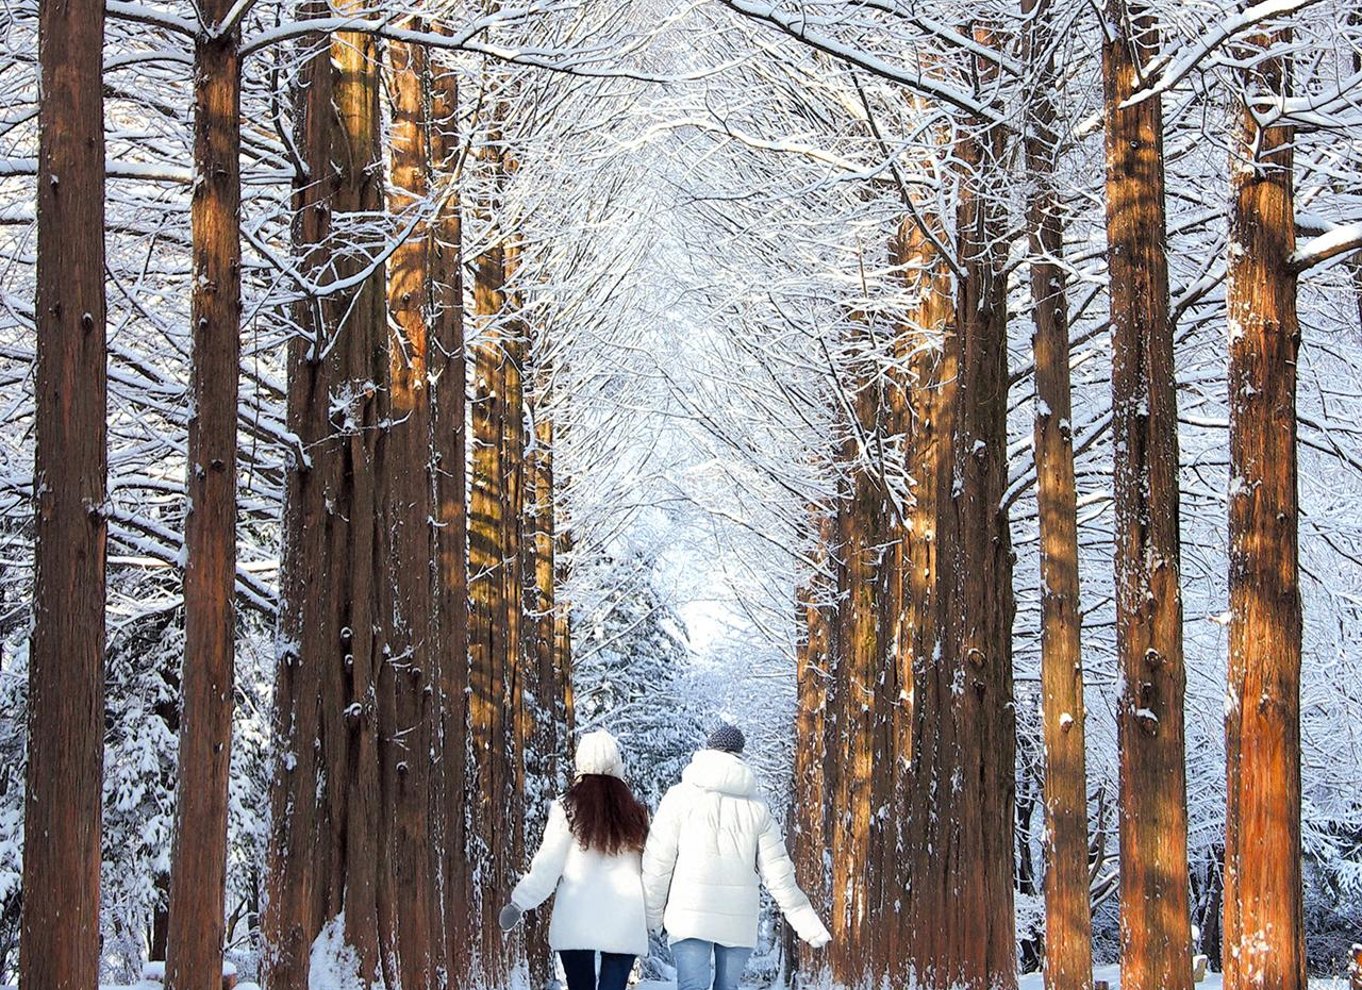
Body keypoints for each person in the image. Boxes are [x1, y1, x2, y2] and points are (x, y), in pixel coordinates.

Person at [642, 724, 830, 990]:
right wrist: (806, 922)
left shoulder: (679, 798)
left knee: (691, 987)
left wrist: (650, 916)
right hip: (738, 917)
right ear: (740, 754)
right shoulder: (757, 808)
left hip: (689, 915)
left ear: (708, 750)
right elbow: (778, 874)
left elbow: (657, 863)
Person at [499, 729, 650, 990]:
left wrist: (519, 902)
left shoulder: (568, 808)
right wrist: (656, 914)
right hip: (625, 918)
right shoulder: (636, 814)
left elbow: (547, 865)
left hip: (576, 918)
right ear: (617, 764)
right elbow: (651, 870)